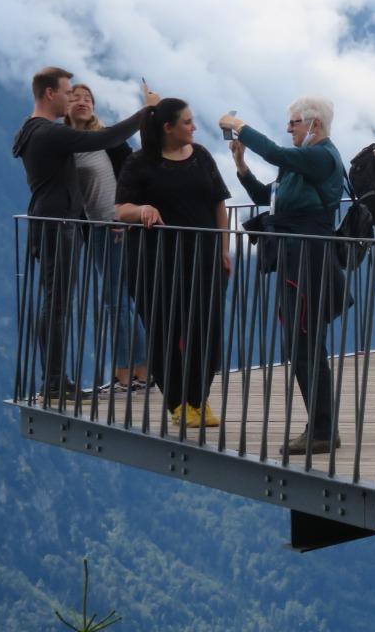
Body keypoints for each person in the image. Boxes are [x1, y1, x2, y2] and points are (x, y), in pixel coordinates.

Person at [12, 67, 155, 404]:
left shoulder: (31, 131)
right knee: (57, 304)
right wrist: (146, 112)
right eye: (66, 93)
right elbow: (103, 139)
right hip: (58, 224)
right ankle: (55, 381)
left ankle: (56, 378)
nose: (70, 99)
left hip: (51, 223)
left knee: (55, 302)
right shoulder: (48, 133)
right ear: (50, 94)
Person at [221, 97, 347, 456]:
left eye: (294, 123)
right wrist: (241, 165)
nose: (289, 128)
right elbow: (268, 198)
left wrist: (240, 126)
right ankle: (320, 425)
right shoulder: (304, 162)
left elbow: (275, 153)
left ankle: (322, 429)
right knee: (300, 343)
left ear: (314, 126)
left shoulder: (321, 156)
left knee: (304, 342)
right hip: (297, 257)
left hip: (307, 258)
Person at [114, 98, 232, 431]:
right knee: (166, 332)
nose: (194, 127)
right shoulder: (140, 163)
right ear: (168, 128)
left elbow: (218, 203)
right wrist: (143, 210)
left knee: (205, 332)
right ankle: (179, 403)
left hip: (204, 259)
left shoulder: (203, 157)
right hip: (155, 263)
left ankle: (198, 399)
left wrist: (224, 248)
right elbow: (121, 209)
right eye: (187, 122)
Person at [67, 84, 149, 394]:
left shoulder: (109, 141)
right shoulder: (69, 142)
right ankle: (140, 373)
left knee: (115, 302)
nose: (82, 102)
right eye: (75, 97)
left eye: (87, 98)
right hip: (97, 228)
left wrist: (125, 217)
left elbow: (133, 177)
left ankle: (125, 377)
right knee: (121, 301)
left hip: (113, 226)